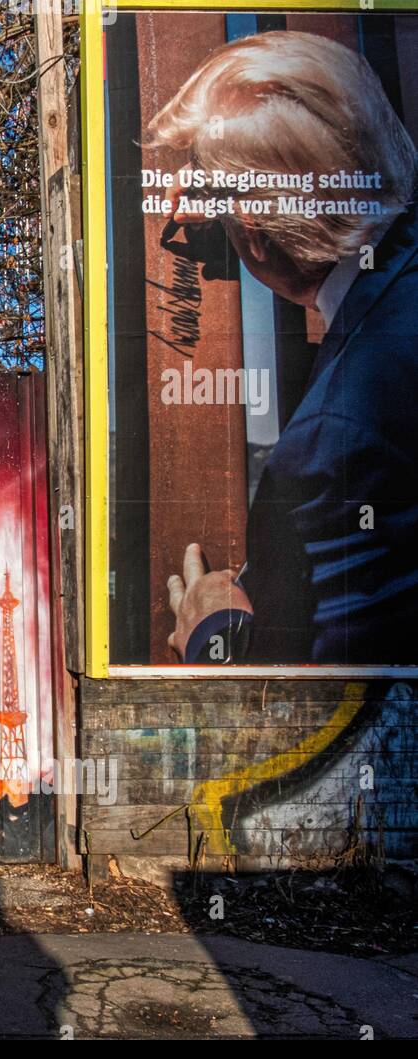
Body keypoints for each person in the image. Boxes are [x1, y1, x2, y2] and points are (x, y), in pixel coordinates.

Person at [146, 31, 418, 664]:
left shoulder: (339, 439)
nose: (181, 206)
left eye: (207, 191)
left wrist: (218, 637)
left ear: (259, 239)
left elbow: (353, 723)